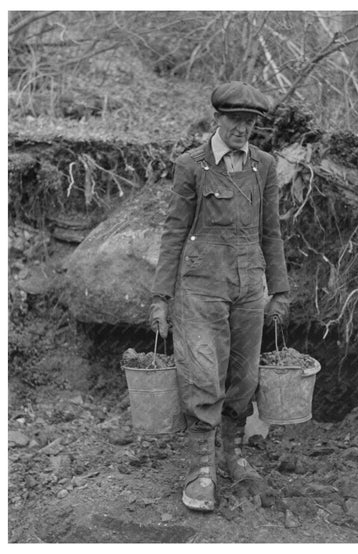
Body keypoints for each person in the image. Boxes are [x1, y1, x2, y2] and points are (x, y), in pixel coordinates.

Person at [149, 81, 290, 512]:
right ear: (218, 119)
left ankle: (232, 453)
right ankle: (200, 467)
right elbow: (175, 230)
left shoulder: (264, 165)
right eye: (235, 120)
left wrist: (280, 290)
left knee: (244, 377)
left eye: (250, 123)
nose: (242, 130)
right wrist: (161, 296)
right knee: (203, 376)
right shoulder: (191, 165)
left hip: (249, 285)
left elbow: (271, 231)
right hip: (199, 285)